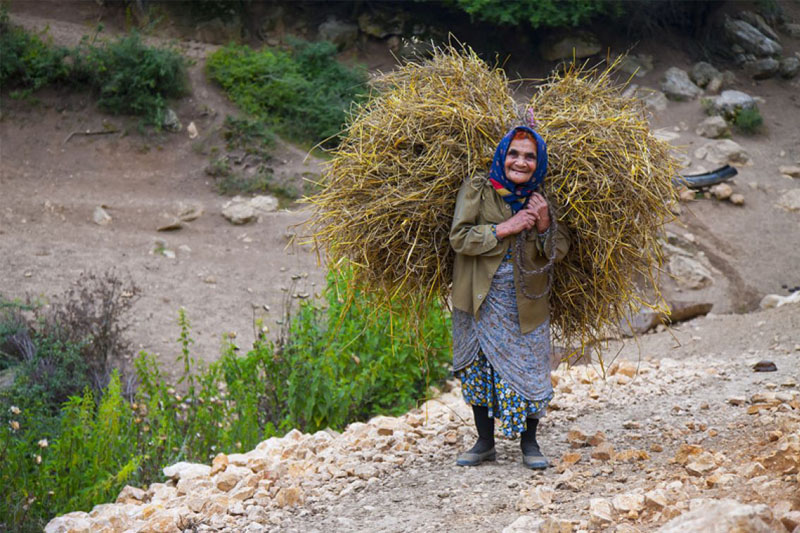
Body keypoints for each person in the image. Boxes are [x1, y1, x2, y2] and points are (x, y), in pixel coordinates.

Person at [449, 125, 570, 469]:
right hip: (477, 298)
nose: (521, 162)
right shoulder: (478, 188)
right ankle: (484, 442)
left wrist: (544, 223)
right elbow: (459, 238)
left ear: (539, 162)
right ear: (503, 154)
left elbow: (558, 251)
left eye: (530, 156)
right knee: (479, 368)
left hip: (526, 302)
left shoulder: (543, 198)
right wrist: (507, 227)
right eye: (514, 153)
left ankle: (529, 444)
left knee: (531, 370)